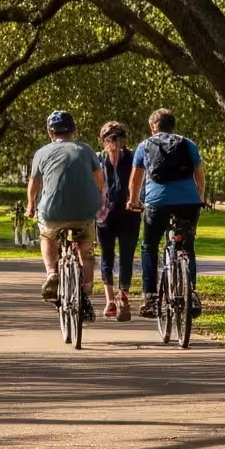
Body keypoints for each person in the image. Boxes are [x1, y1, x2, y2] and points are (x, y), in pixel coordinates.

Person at [130, 106, 207, 316]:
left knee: (149, 246)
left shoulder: (144, 146)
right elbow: (199, 177)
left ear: (153, 126)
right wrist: (199, 198)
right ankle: (190, 295)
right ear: (172, 126)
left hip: (157, 204)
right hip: (188, 204)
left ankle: (151, 298)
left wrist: (133, 202)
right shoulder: (188, 144)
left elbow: (135, 181)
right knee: (187, 248)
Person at [27, 110, 99, 321]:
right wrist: (99, 201)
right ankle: (85, 291)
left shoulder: (41, 153)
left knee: (47, 236)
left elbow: (34, 184)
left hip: (52, 212)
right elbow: (100, 180)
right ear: (73, 130)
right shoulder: (86, 150)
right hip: (85, 212)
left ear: (51, 132)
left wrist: (31, 205)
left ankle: (51, 273)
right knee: (86, 250)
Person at [94, 119, 141, 320]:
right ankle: (109, 301)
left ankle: (123, 296)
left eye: (118, 137)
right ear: (103, 140)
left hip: (129, 214)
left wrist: (139, 201)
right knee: (106, 256)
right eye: (110, 138)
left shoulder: (132, 158)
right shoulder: (97, 160)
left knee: (126, 256)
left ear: (124, 140)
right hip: (104, 217)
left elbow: (141, 180)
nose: (114, 141)